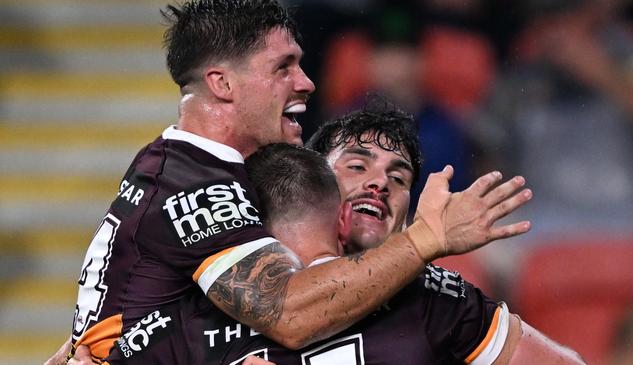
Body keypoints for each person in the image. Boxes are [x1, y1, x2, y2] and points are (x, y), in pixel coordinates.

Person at [46, 1, 533, 364]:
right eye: (283, 67)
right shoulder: (194, 183)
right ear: (222, 84)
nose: (307, 82)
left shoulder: (195, 168)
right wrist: (427, 238)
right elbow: (290, 314)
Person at [97, 107, 576, 365]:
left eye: (399, 177)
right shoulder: (219, 286)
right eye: (357, 164)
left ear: (408, 218)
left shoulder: (437, 299)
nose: (379, 182)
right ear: (309, 178)